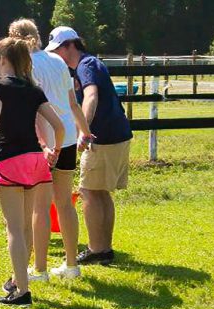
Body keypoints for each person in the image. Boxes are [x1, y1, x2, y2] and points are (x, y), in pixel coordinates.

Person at [0, 19, 93, 280]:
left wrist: (45, 145)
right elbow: (71, 102)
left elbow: (21, 102)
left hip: (40, 144)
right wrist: (84, 130)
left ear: (13, 39)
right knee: (65, 204)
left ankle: (39, 269)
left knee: (39, 208)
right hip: (66, 138)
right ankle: (72, 265)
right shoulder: (57, 61)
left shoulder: (25, 64)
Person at [0, 37, 65, 307]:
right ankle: (17, 279)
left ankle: (22, 292)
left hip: (10, 160)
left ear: (3, 59)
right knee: (26, 226)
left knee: (14, 229)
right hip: (36, 161)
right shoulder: (33, 89)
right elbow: (58, 125)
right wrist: (54, 150)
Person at [45, 26, 133, 266]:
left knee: (88, 192)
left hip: (101, 138)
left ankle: (96, 249)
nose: (56, 56)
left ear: (70, 46)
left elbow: (91, 95)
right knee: (100, 192)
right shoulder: (88, 65)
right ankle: (104, 248)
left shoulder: (86, 65)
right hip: (116, 134)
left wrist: (83, 131)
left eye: (57, 50)